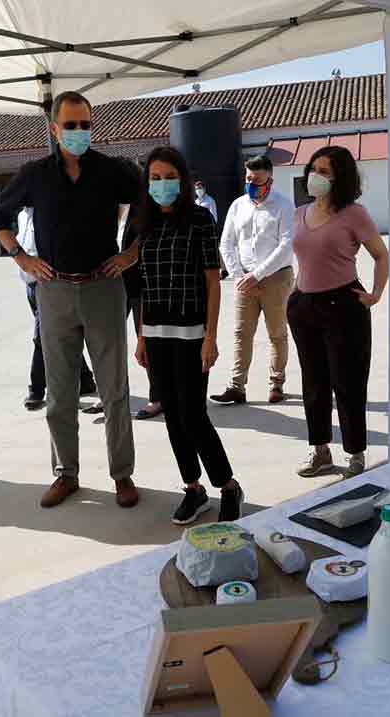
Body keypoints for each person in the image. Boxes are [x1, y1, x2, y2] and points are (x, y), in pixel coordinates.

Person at [0, 90, 141, 510]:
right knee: (59, 392)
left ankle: (122, 475)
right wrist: (22, 255)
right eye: (70, 125)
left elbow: (150, 204)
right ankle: (65, 474)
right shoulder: (34, 174)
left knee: (114, 389)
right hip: (53, 290)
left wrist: (132, 252)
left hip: (103, 287)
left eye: (85, 124)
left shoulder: (113, 171)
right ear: (54, 129)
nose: (78, 132)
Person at [135, 146, 244, 524]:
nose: (161, 184)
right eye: (155, 178)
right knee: (173, 418)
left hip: (192, 333)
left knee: (194, 416)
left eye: (168, 177)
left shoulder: (199, 219)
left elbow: (212, 282)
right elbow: (144, 285)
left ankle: (228, 486)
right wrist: (142, 337)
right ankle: (193, 489)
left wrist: (210, 337)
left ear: (181, 180)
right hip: (156, 333)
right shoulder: (143, 222)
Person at [287, 146, 389, 479]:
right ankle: (320, 451)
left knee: (348, 383)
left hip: (343, 306)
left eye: (326, 171)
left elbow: (380, 255)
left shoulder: (353, 213)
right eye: (314, 168)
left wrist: (375, 294)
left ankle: (356, 454)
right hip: (304, 305)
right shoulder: (299, 213)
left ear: (341, 178)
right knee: (313, 382)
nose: (317, 176)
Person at [83, 158, 163, 421]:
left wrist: (129, 255)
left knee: (147, 342)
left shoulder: (148, 204)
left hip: (142, 283)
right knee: (109, 343)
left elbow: (152, 235)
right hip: (115, 283)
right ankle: (111, 396)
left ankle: (158, 397)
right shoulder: (119, 204)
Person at [212, 155, 295, 406]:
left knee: (277, 333)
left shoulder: (283, 205)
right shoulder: (238, 206)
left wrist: (257, 274)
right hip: (243, 280)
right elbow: (226, 243)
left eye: (257, 180)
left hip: (276, 278)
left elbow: (286, 245)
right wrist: (239, 275)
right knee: (241, 333)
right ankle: (237, 386)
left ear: (270, 178)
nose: (251, 184)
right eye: (248, 178)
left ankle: (276, 383)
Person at [18, 207, 98, 411]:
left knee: (42, 337)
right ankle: (85, 379)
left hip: (49, 284)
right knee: (63, 332)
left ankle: (36, 390)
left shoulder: (49, 209)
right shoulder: (22, 215)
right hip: (30, 285)